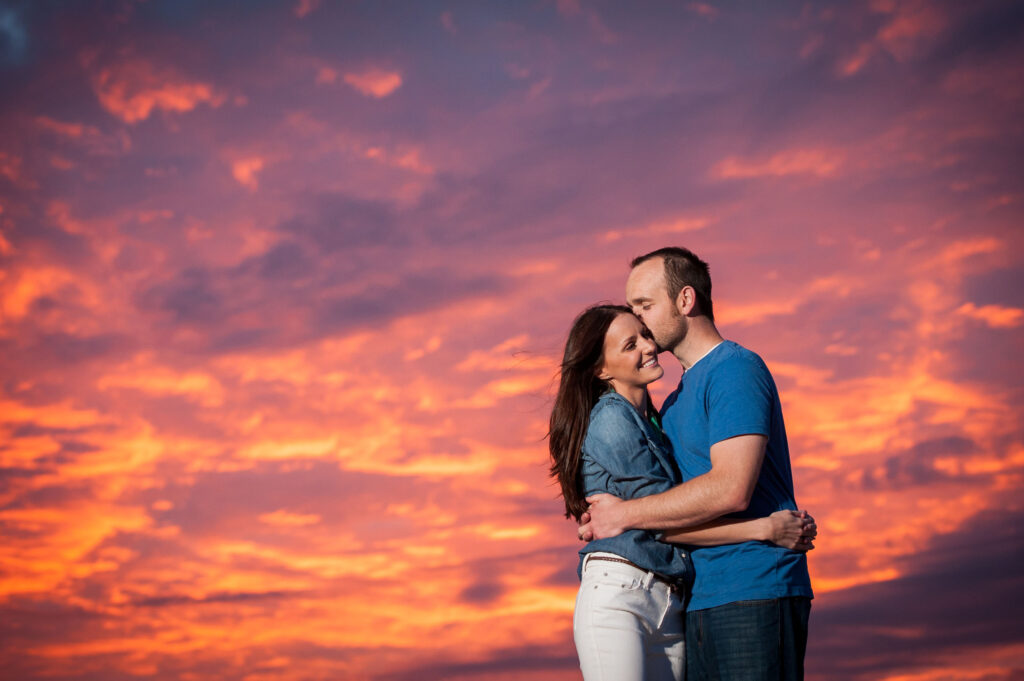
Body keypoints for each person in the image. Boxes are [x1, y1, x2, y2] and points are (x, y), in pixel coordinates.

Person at [581, 247, 815, 681]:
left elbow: (731, 488)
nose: (637, 317)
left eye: (645, 305)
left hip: (755, 585)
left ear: (685, 301)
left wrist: (623, 515)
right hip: (696, 597)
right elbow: (666, 507)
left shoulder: (735, 370)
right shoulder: (668, 405)